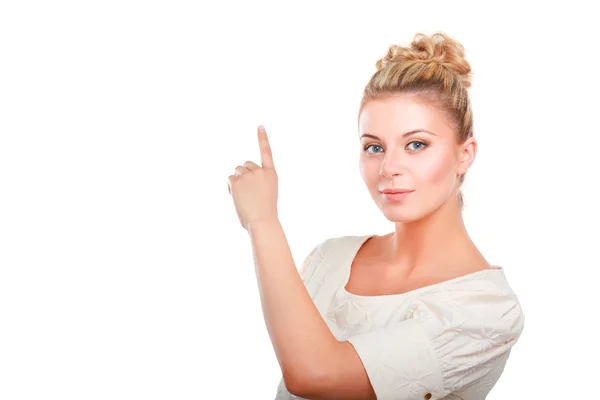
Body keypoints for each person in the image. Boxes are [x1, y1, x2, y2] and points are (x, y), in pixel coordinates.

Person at [227, 31, 525, 400]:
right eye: (374, 147)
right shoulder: (329, 259)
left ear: (465, 154)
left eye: (416, 144)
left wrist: (263, 222)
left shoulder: (485, 310)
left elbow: (314, 375)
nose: (389, 167)